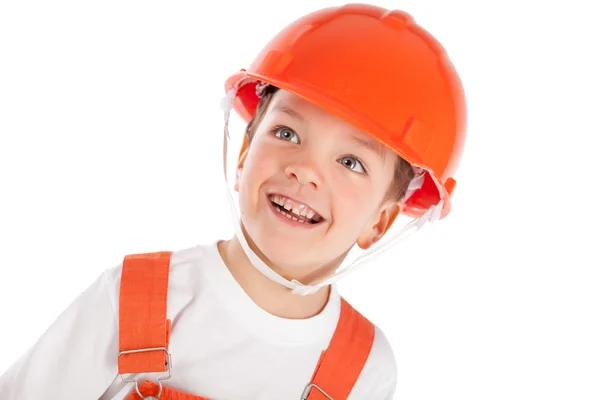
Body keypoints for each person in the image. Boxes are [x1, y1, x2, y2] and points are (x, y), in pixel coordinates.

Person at [0, 3, 466, 399]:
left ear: (381, 222)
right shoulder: (137, 298)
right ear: (244, 152)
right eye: (287, 132)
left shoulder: (365, 370)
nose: (304, 168)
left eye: (351, 162)